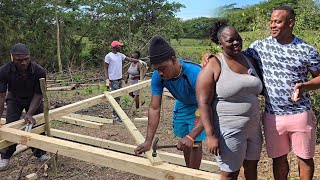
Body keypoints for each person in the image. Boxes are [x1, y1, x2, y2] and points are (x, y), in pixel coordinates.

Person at [245, 6, 320, 180]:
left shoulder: (306, 50)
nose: (272, 25)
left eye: (277, 21)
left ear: (290, 23)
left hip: (300, 114)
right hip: (273, 116)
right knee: (278, 159)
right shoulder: (259, 47)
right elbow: (235, 57)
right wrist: (211, 57)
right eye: (271, 21)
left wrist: (305, 86)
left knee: (305, 157)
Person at [196, 20, 263, 179]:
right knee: (230, 173)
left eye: (238, 38)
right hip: (229, 130)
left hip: (253, 128)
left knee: (251, 168)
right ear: (220, 43)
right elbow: (203, 102)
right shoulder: (214, 64)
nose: (236, 43)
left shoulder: (249, 60)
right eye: (230, 40)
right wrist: (211, 135)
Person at [134, 35, 206, 169]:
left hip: (202, 105)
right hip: (182, 103)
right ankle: (187, 171)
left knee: (195, 141)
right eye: (157, 69)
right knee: (185, 138)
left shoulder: (196, 74)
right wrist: (148, 141)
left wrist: (191, 137)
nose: (160, 73)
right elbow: (154, 108)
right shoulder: (158, 76)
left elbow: (208, 109)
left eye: (162, 68)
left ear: (173, 60)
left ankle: (193, 175)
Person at [0, 43, 49, 171]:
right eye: (19, 60)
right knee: (11, 127)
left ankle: (40, 153)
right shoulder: (4, 71)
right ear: (12, 58)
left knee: (36, 126)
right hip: (14, 99)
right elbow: (1, 97)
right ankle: (5, 157)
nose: (23, 62)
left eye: (26, 59)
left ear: (29, 57)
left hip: (33, 99)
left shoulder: (39, 71)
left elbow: (39, 94)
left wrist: (29, 114)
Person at [104, 40, 144, 122]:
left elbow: (130, 59)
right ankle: (117, 116)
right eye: (119, 46)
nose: (121, 47)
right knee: (116, 98)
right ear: (115, 47)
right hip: (113, 80)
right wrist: (107, 79)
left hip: (119, 79)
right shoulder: (108, 56)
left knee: (118, 97)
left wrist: (139, 61)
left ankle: (115, 114)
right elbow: (105, 68)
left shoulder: (120, 55)